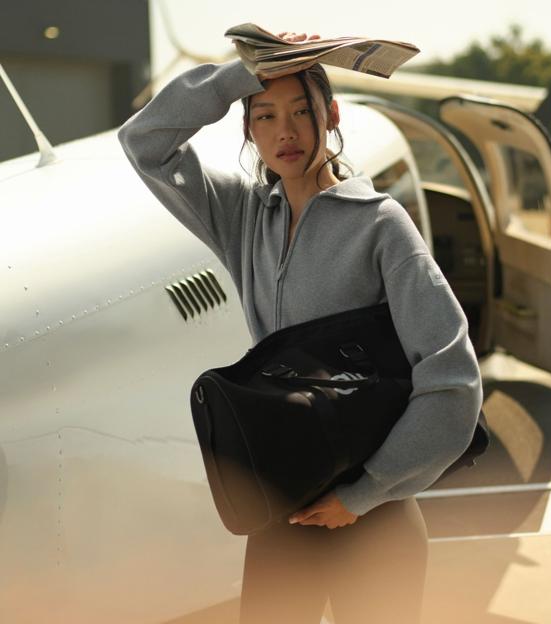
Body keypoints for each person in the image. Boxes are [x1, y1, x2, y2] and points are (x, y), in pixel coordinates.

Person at [118, 30, 483, 624]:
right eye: (265, 116)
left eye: (299, 113)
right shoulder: (242, 217)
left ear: (330, 115)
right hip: (281, 508)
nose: (284, 132)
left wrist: (362, 496)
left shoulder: (381, 225)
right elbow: (144, 142)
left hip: (376, 515)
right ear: (249, 130)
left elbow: (453, 381)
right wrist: (243, 74)